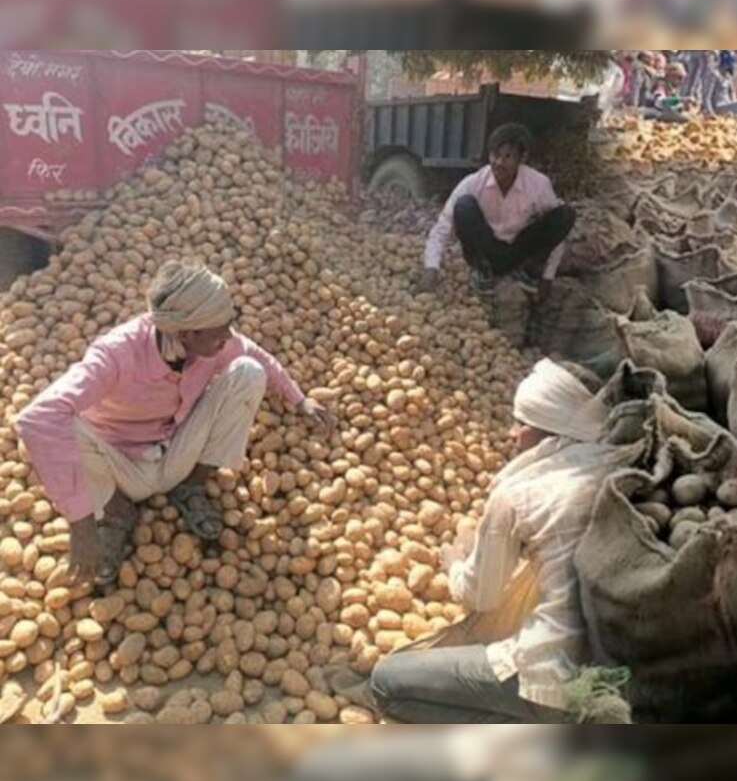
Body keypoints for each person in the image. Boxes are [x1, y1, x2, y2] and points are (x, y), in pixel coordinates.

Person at [14, 260, 334, 587]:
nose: (229, 335)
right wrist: (80, 523)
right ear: (185, 332)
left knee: (249, 372)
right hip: (122, 469)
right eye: (220, 328)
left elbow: (255, 353)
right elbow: (37, 419)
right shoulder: (116, 353)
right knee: (62, 422)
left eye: (229, 323)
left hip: (175, 454)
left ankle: (192, 487)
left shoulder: (211, 341)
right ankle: (115, 512)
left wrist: (299, 399)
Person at [368, 360, 632, 724]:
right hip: (627, 668)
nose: (511, 434)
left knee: (386, 681)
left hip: (559, 679)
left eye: (521, 423)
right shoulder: (625, 462)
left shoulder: (520, 492)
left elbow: (481, 597)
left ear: (551, 426)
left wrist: (454, 562)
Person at [417, 124, 576, 298]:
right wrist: (431, 268)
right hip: (486, 250)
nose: (499, 162)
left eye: (508, 157)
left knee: (565, 215)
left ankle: (523, 271)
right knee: (464, 206)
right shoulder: (474, 183)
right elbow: (443, 227)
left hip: (519, 252)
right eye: (495, 155)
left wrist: (548, 277)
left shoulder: (538, 184)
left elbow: (556, 233)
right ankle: (483, 272)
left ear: (522, 158)